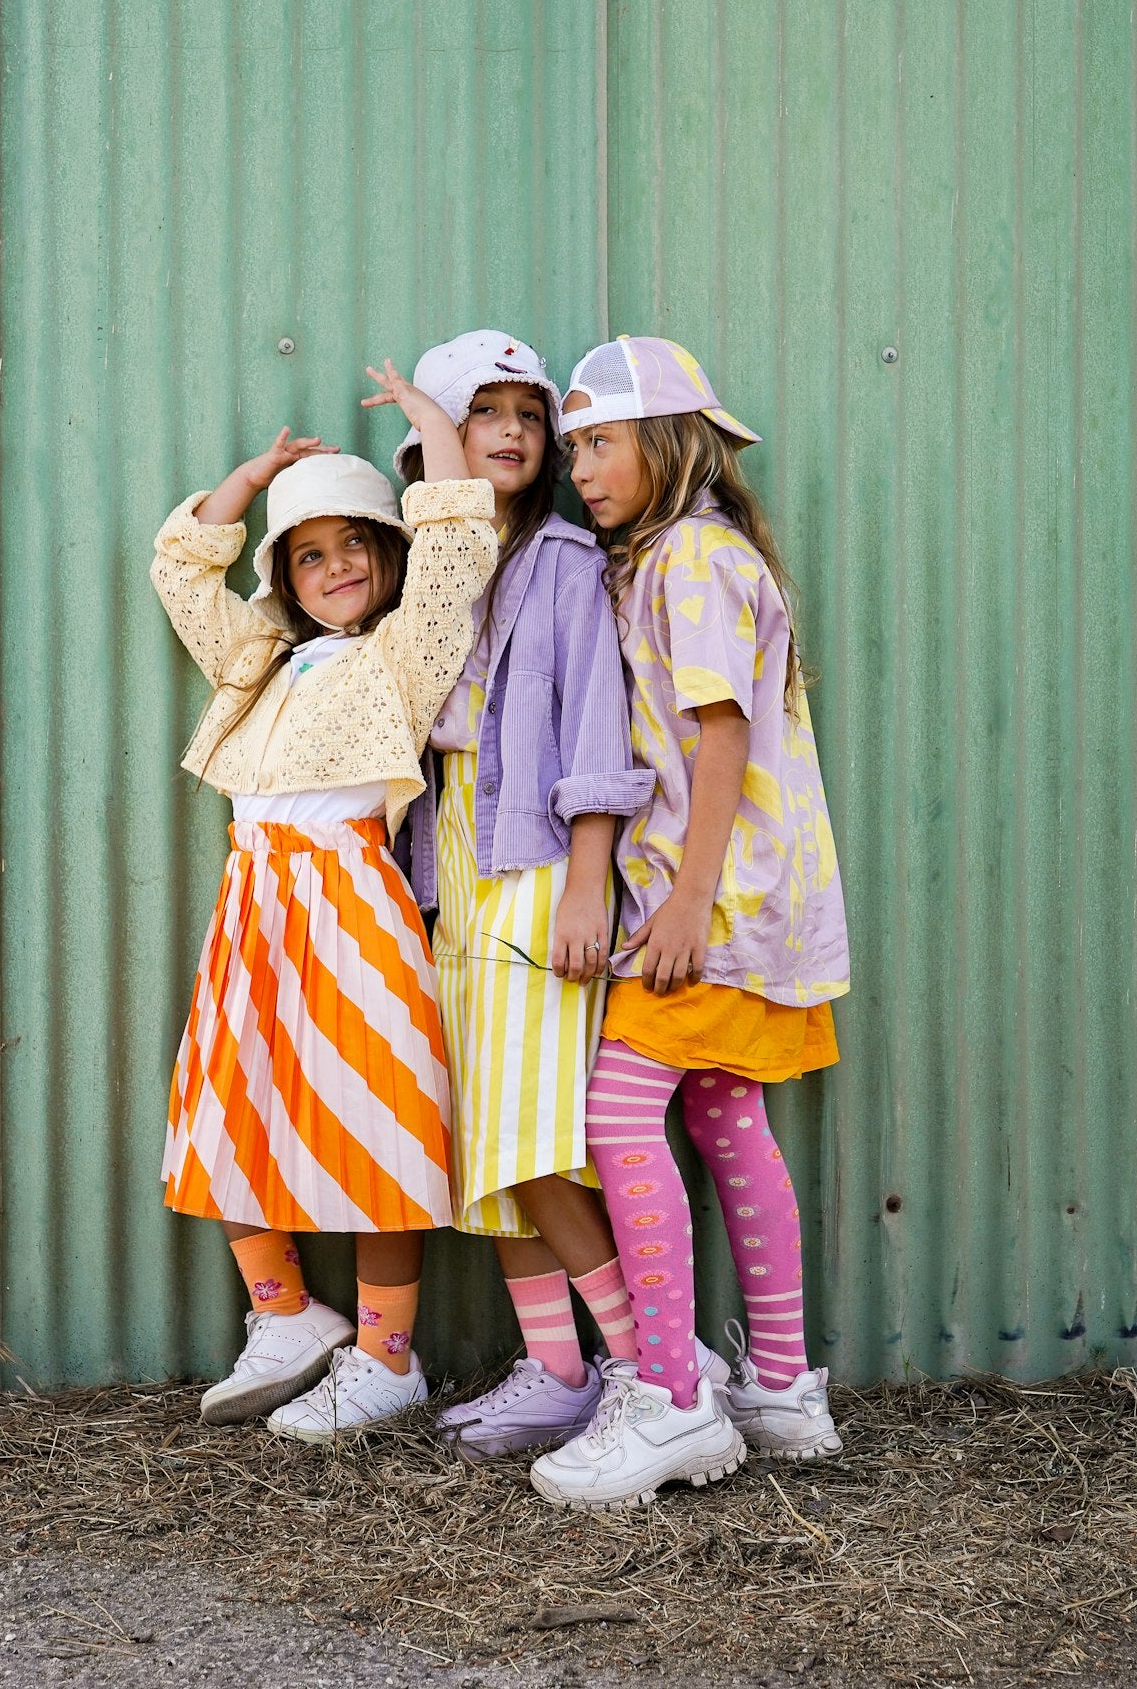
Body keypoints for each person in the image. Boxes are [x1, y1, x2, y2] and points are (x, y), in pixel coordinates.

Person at [530, 336, 850, 1509]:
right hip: (744, 895)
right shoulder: (679, 555)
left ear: (669, 443)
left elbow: (722, 735)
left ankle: (670, 1397)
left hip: (713, 897)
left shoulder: (696, 560)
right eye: (574, 449)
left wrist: (685, 898)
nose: (581, 470)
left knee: (619, 1116)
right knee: (723, 1113)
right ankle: (779, 1386)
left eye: (602, 444)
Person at [151, 409, 496, 1440]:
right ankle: (287, 1313)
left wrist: (435, 426)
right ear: (285, 579)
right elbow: (181, 574)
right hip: (252, 900)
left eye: (355, 543)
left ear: (388, 552)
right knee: (228, 1104)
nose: (336, 565)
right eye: (309, 554)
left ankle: (388, 1357)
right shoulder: (259, 658)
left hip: (349, 898)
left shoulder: (403, 653)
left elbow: (458, 545)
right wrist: (252, 478)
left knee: (378, 1112)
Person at [372, 330, 655, 1459]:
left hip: (538, 864)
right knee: (491, 1146)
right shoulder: (428, 575)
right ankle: (559, 1373)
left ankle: (648, 1373)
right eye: (482, 412)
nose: (512, 432)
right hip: (453, 862)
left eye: (528, 415)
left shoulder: (568, 564)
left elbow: (597, 732)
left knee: (535, 1141)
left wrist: (587, 885)